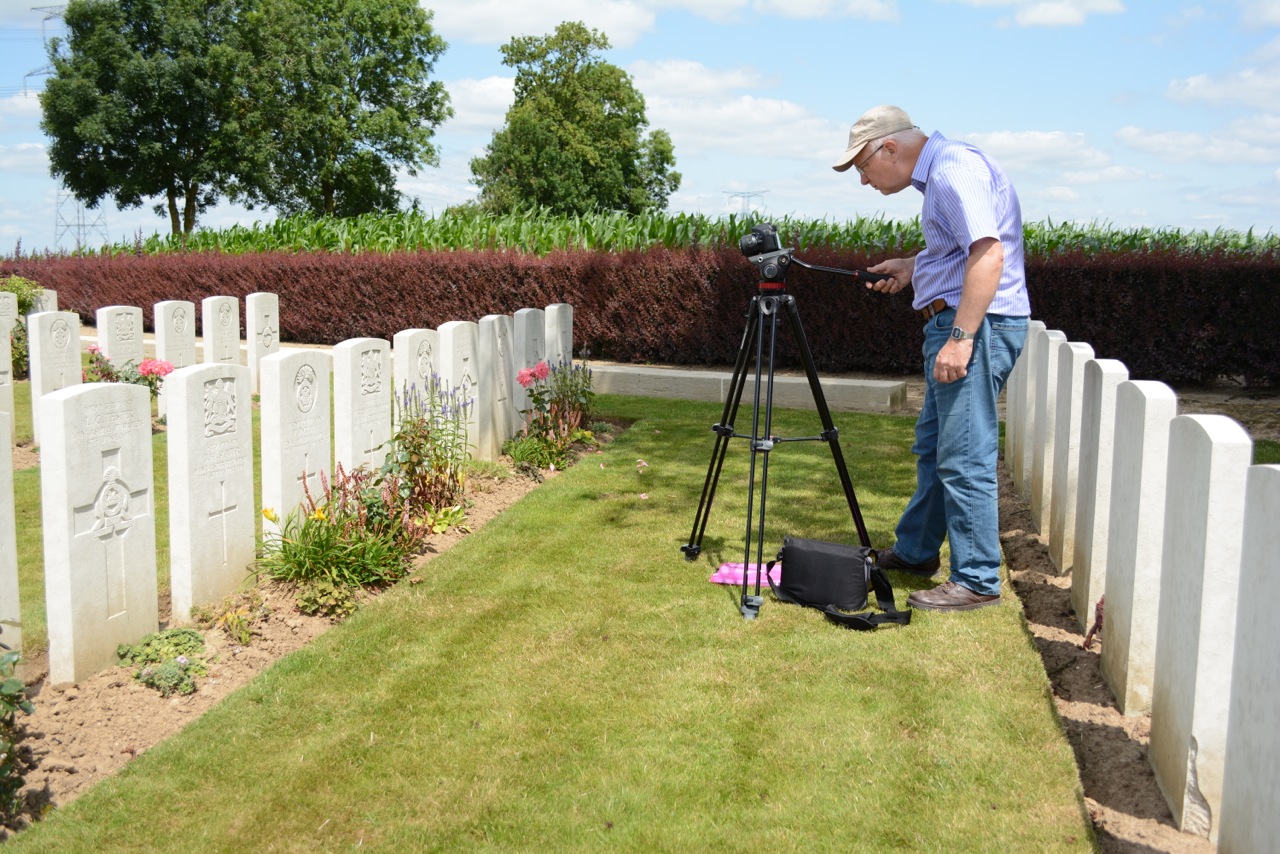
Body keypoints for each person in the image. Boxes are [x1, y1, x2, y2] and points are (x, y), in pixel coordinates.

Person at [833, 105, 1030, 612]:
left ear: (890, 148)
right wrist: (913, 266)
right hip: (960, 321)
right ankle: (919, 551)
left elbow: (989, 253)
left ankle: (978, 580)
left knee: (964, 453)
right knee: (935, 447)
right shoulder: (944, 170)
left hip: (974, 326)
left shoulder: (951, 171)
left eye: (863, 167)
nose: (863, 180)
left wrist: (962, 337)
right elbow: (962, 249)